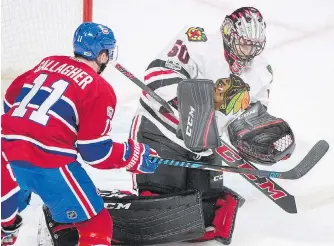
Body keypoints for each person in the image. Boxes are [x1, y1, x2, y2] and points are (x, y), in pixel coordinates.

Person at [128, 6, 295, 244]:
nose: (249, 53)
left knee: (206, 209)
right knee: (157, 198)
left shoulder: (262, 71)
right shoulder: (196, 42)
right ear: (228, 35)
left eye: (255, 46)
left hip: (207, 141)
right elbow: (157, 75)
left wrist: (260, 139)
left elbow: (250, 115)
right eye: (245, 44)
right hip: (162, 130)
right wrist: (195, 102)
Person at [1, 22, 158, 246]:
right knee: (97, 223)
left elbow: (10, 100)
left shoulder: (47, 62)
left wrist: (28, 130)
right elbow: (95, 152)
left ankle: (8, 229)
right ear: (102, 55)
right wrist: (133, 154)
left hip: (6, 151)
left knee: (13, 202)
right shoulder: (98, 88)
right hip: (49, 161)